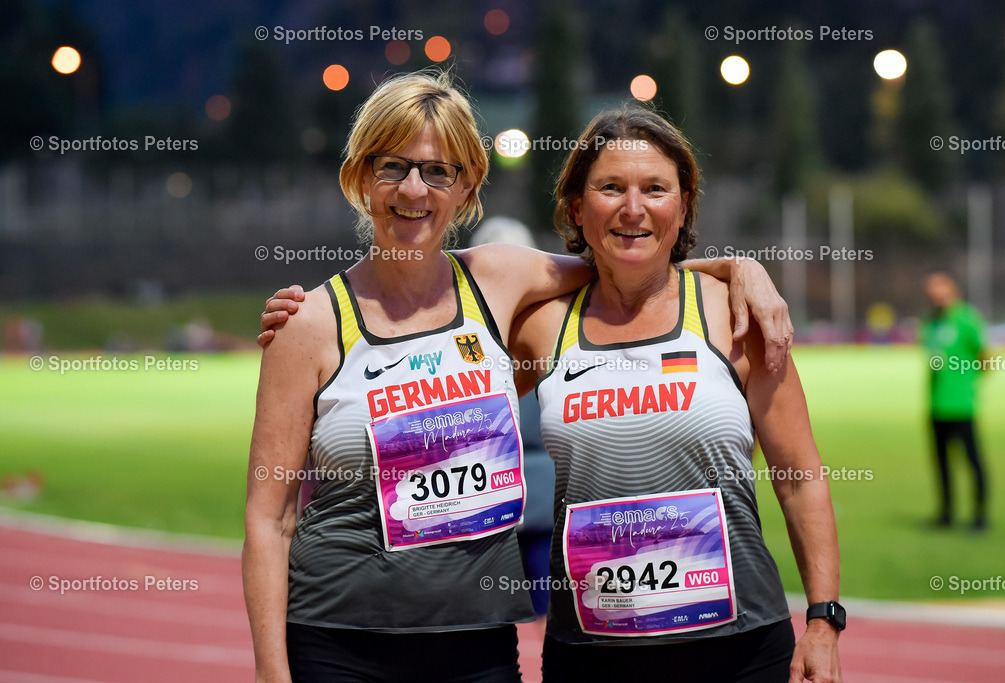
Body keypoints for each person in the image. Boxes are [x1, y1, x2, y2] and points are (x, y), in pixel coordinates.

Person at [244, 69, 793, 683]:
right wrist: (272, 673)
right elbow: (270, 519)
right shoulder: (308, 324)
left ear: (468, 185)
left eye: (437, 170)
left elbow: (627, 251)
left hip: (479, 643)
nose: (413, 189)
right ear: (359, 178)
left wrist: (740, 267)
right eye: (391, 166)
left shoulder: (499, 279)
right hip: (339, 640)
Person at [504, 107, 843, 682]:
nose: (633, 208)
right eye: (610, 188)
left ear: (682, 206)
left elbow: (799, 476)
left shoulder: (735, 317)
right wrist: (307, 319)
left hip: (737, 651)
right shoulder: (541, 328)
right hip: (590, 653)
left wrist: (823, 620)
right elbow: (441, 379)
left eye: (654, 189)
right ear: (577, 208)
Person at [921, 271, 989, 530]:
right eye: (931, 292)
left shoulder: (967, 319)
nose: (935, 296)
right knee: (941, 463)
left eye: (939, 290)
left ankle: (980, 514)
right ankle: (946, 513)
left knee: (973, 461)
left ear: (951, 290)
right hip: (936, 403)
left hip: (962, 404)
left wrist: (968, 381)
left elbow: (984, 357)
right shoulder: (929, 322)